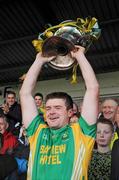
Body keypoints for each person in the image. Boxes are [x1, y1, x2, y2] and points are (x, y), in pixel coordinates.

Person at [19, 45, 99, 180]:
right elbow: (25, 94)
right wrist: (39, 60)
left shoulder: (81, 132)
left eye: (57, 107)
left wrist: (80, 57)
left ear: (70, 112)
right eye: (48, 108)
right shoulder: (37, 132)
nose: (51, 112)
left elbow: (93, 89)